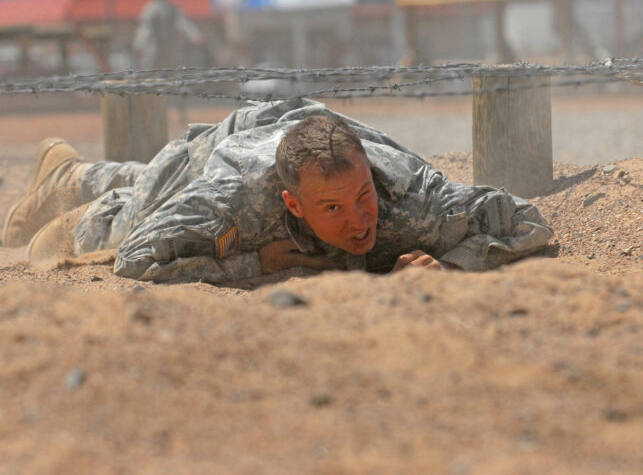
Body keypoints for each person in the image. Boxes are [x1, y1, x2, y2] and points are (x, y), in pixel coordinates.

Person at [3, 98, 553, 283]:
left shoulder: (416, 200)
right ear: (293, 205)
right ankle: (64, 177)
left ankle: (76, 170)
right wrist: (255, 262)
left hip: (309, 133)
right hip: (229, 151)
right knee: (129, 211)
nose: (360, 222)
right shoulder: (237, 196)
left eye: (363, 197)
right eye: (333, 209)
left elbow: (525, 218)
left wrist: (453, 266)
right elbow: (135, 259)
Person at [133, 0, 203, 70]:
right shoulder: (152, 8)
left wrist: (193, 34)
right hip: (155, 45)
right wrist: (140, 43)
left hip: (167, 45)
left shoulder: (166, 7)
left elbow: (182, 21)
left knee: (168, 67)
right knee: (152, 66)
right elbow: (146, 28)